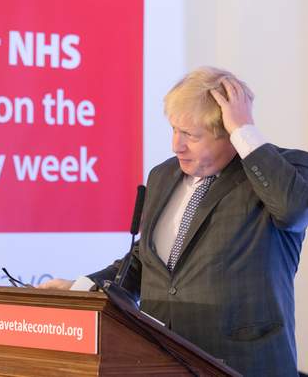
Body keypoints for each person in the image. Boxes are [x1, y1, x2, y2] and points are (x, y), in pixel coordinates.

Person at [39, 67, 308, 376]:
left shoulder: (287, 169)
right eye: (174, 130)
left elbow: (294, 211)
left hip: (242, 364)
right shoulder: (163, 175)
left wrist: (244, 128)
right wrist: (83, 289)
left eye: (191, 135)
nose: (176, 145)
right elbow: (147, 262)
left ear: (228, 133)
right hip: (161, 360)